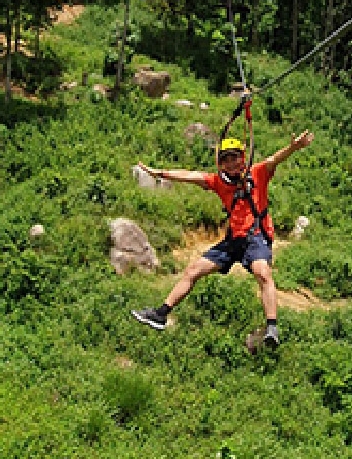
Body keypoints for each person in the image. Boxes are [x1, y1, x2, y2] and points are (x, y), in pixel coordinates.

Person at [131, 130, 315, 348]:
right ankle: (161, 314)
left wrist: (294, 147)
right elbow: (191, 176)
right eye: (225, 159)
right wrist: (159, 173)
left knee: (262, 272)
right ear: (220, 164)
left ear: (242, 158)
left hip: (256, 238)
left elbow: (275, 159)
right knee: (193, 270)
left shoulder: (257, 174)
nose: (231, 163)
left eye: (234, 157)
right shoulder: (219, 182)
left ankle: (271, 328)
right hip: (232, 242)